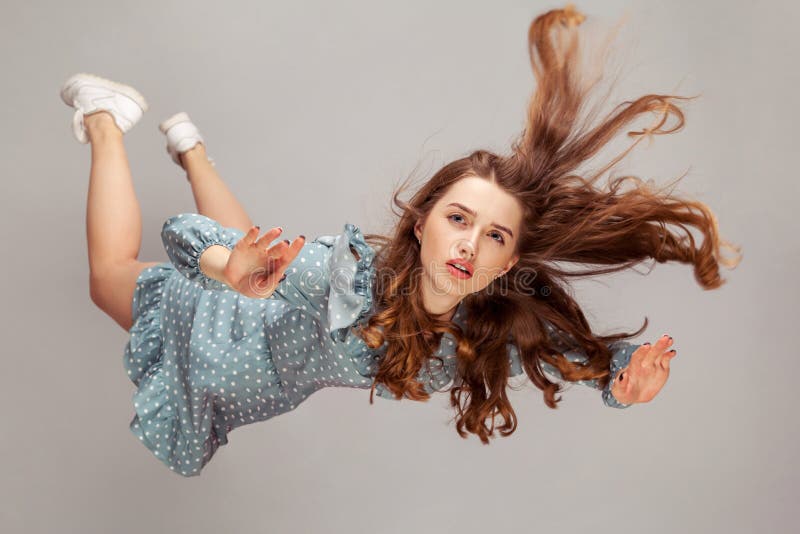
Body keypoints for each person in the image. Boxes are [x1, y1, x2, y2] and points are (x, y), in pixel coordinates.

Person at [61, 5, 741, 477]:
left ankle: (191, 150)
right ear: (422, 225)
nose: (470, 242)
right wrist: (227, 272)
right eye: (457, 218)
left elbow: (592, 362)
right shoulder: (346, 278)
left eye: (495, 233)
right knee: (110, 276)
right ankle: (105, 118)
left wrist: (627, 381)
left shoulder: (488, 327)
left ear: (510, 259)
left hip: (260, 359)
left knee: (254, 243)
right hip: (224, 324)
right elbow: (185, 234)